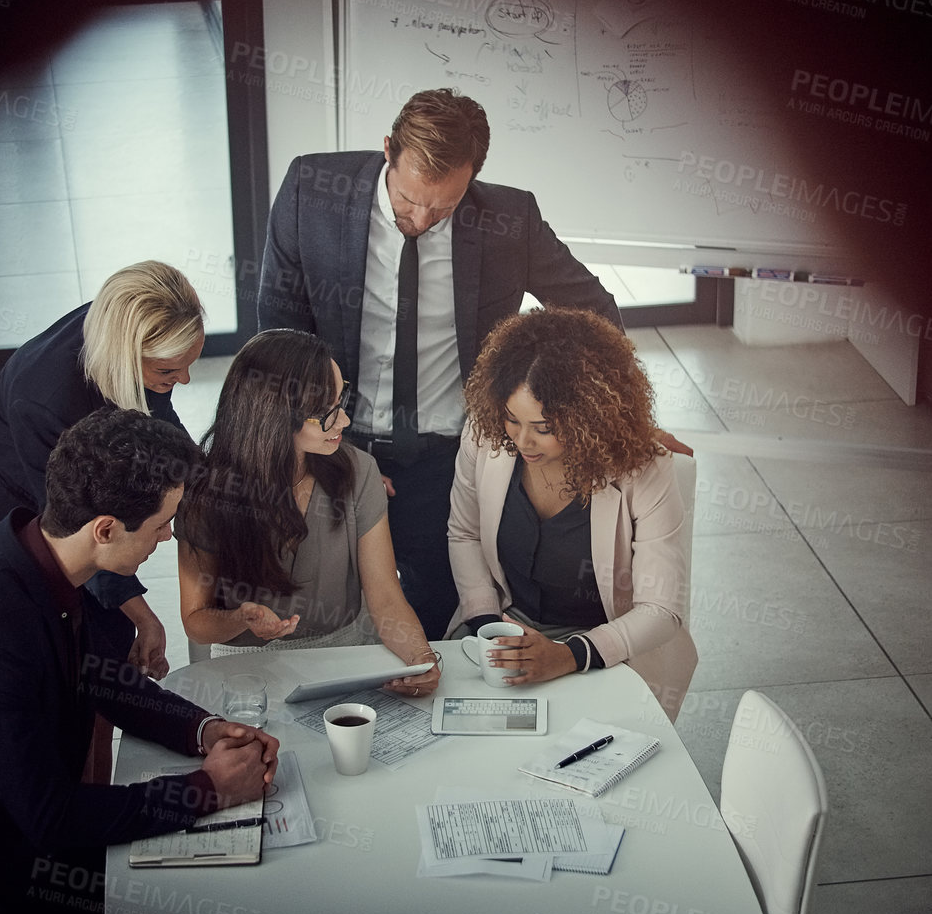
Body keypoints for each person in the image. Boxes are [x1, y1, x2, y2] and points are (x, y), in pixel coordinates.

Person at [0, 407, 279, 914]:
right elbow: (51, 816)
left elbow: (104, 681)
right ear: (105, 529)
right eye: (161, 524)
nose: (167, 537)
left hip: (26, 829)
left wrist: (205, 730)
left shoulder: (40, 556)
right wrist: (209, 789)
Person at [257, 87, 645, 641]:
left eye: (443, 206)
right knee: (320, 616)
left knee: (441, 613)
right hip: (336, 444)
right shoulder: (311, 191)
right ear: (388, 149)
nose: (421, 218)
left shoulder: (509, 217)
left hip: (448, 457)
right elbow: (277, 336)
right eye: (409, 200)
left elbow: (595, 311)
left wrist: (624, 413)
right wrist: (320, 446)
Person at [0, 260, 206, 677]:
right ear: (125, 355)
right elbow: (81, 533)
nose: (184, 380)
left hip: (70, 494)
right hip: (2, 501)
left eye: (189, 364)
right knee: (55, 652)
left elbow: (159, 418)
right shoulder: (45, 400)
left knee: (108, 640)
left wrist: (210, 481)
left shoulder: (123, 325)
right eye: (169, 371)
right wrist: (147, 618)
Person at [448, 308, 698, 720]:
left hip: (610, 648)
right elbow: (464, 533)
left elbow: (661, 610)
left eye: (543, 428)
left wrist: (569, 655)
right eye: (513, 420)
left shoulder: (646, 471)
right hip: (507, 624)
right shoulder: (484, 435)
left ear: (589, 419)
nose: (522, 441)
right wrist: (488, 626)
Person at [174, 329, 442, 697]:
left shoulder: (358, 470)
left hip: (344, 655)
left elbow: (385, 596)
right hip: (244, 671)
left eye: (341, 401)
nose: (345, 422)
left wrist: (420, 657)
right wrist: (240, 618)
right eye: (327, 414)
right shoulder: (207, 494)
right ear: (273, 416)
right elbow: (196, 621)